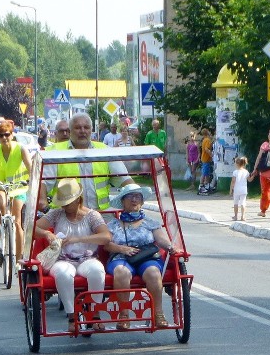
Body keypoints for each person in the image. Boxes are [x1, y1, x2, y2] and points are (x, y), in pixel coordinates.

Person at [34, 179, 110, 333]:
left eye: (67, 203)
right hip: (63, 259)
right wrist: (46, 233)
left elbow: (106, 237)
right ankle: (72, 316)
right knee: (63, 274)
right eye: (62, 203)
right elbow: (32, 229)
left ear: (78, 200)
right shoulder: (56, 214)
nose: (64, 207)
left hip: (87, 258)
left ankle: (94, 313)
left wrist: (80, 239)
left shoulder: (92, 216)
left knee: (97, 270)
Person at [104, 184, 177, 330]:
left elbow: (161, 239)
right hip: (121, 257)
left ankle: (158, 314)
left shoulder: (150, 222)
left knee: (153, 273)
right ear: (122, 201)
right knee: (121, 272)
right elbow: (106, 245)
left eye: (138, 197)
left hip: (147, 257)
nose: (134, 200)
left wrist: (170, 246)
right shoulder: (113, 224)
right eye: (130, 196)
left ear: (142, 201)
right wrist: (122, 249)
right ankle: (124, 315)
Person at [43, 113, 135, 210]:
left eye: (86, 127)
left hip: (101, 214)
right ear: (70, 131)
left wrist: (135, 193)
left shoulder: (104, 151)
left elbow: (124, 178)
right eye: (78, 128)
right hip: (66, 215)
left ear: (91, 130)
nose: (83, 131)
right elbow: (43, 182)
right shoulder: (55, 152)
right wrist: (42, 200)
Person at [0, 120, 33, 258]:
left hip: (18, 187)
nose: (4, 138)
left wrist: (32, 179)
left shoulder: (20, 148)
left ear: (12, 135)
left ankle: (19, 258)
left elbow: (30, 168)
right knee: (1, 204)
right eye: (1, 135)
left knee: (17, 221)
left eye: (7, 134)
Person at [249, 127, 270, 218]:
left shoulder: (265, 145)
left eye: (269, 133)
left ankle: (263, 211)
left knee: (265, 191)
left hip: (265, 173)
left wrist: (255, 169)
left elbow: (259, 157)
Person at [230, 156, 251, 221]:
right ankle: (243, 216)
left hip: (236, 189)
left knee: (236, 203)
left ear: (237, 164)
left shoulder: (235, 172)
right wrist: (253, 176)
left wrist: (231, 189)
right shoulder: (246, 172)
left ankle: (236, 216)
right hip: (244, 189)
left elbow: (233, 182)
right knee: (243, 203)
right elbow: (249, 180)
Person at [199, 128, 214, 192]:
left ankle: (207, 185)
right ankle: (201, 186)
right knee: (204, 173)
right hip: (205, 159)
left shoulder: (205, 140)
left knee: (207, 173)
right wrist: (211, 154)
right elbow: (206, 149)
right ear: (207, 132)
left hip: (205, 158)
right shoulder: (207, 140)